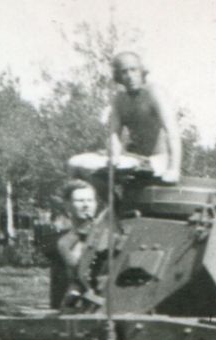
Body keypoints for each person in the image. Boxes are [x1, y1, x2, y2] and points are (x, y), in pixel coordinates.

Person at [68, 51, 182, 184]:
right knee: (74, 163)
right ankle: (103, 197)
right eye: (124, 72)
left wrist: (174, 169)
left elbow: (173, 132)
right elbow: (114, 135)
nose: (130, 76)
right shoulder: (119, 100)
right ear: (118, 76)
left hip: (157, 161)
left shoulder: (155, 93)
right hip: (132, 158)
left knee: (122, 166)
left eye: (133, 70)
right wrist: (114, 156)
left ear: (142, 71)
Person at [48, 179, 98, 308]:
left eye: (90, 200)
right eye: (80, 201)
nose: (86, 205)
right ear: (67, 205)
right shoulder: (59, 239)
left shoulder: (105, 234)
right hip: (65, 307)